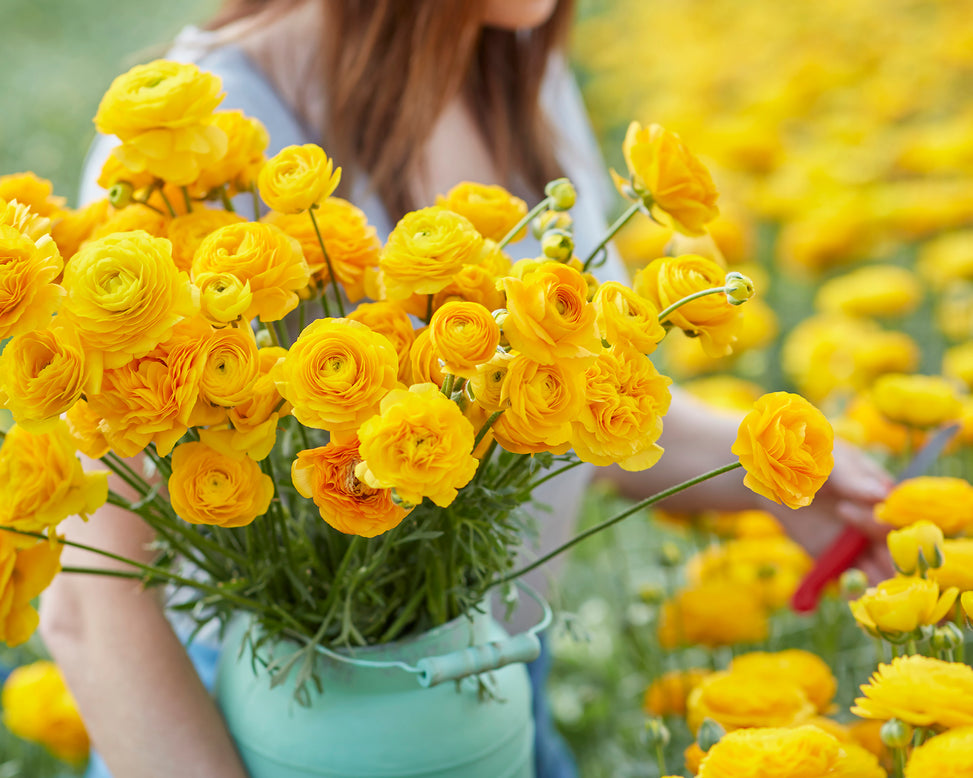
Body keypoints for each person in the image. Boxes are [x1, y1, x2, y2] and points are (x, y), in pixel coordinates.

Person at [42, 2, 893, 777]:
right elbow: (89, 600)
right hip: (255, 733)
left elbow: (551, 408)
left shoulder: (514, 64)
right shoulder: (187, 137)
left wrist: (762, 469)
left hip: (496, 700)